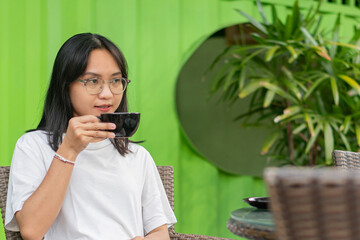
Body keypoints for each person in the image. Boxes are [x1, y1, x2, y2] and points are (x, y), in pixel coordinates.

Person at [5, 33, 177, 240]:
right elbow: (31, 231)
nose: (107, 94)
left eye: (115, 81)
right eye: (93, 81)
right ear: (65, 85)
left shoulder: (137, 156)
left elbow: (159, 232)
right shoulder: (33, 146)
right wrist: (69, 149)